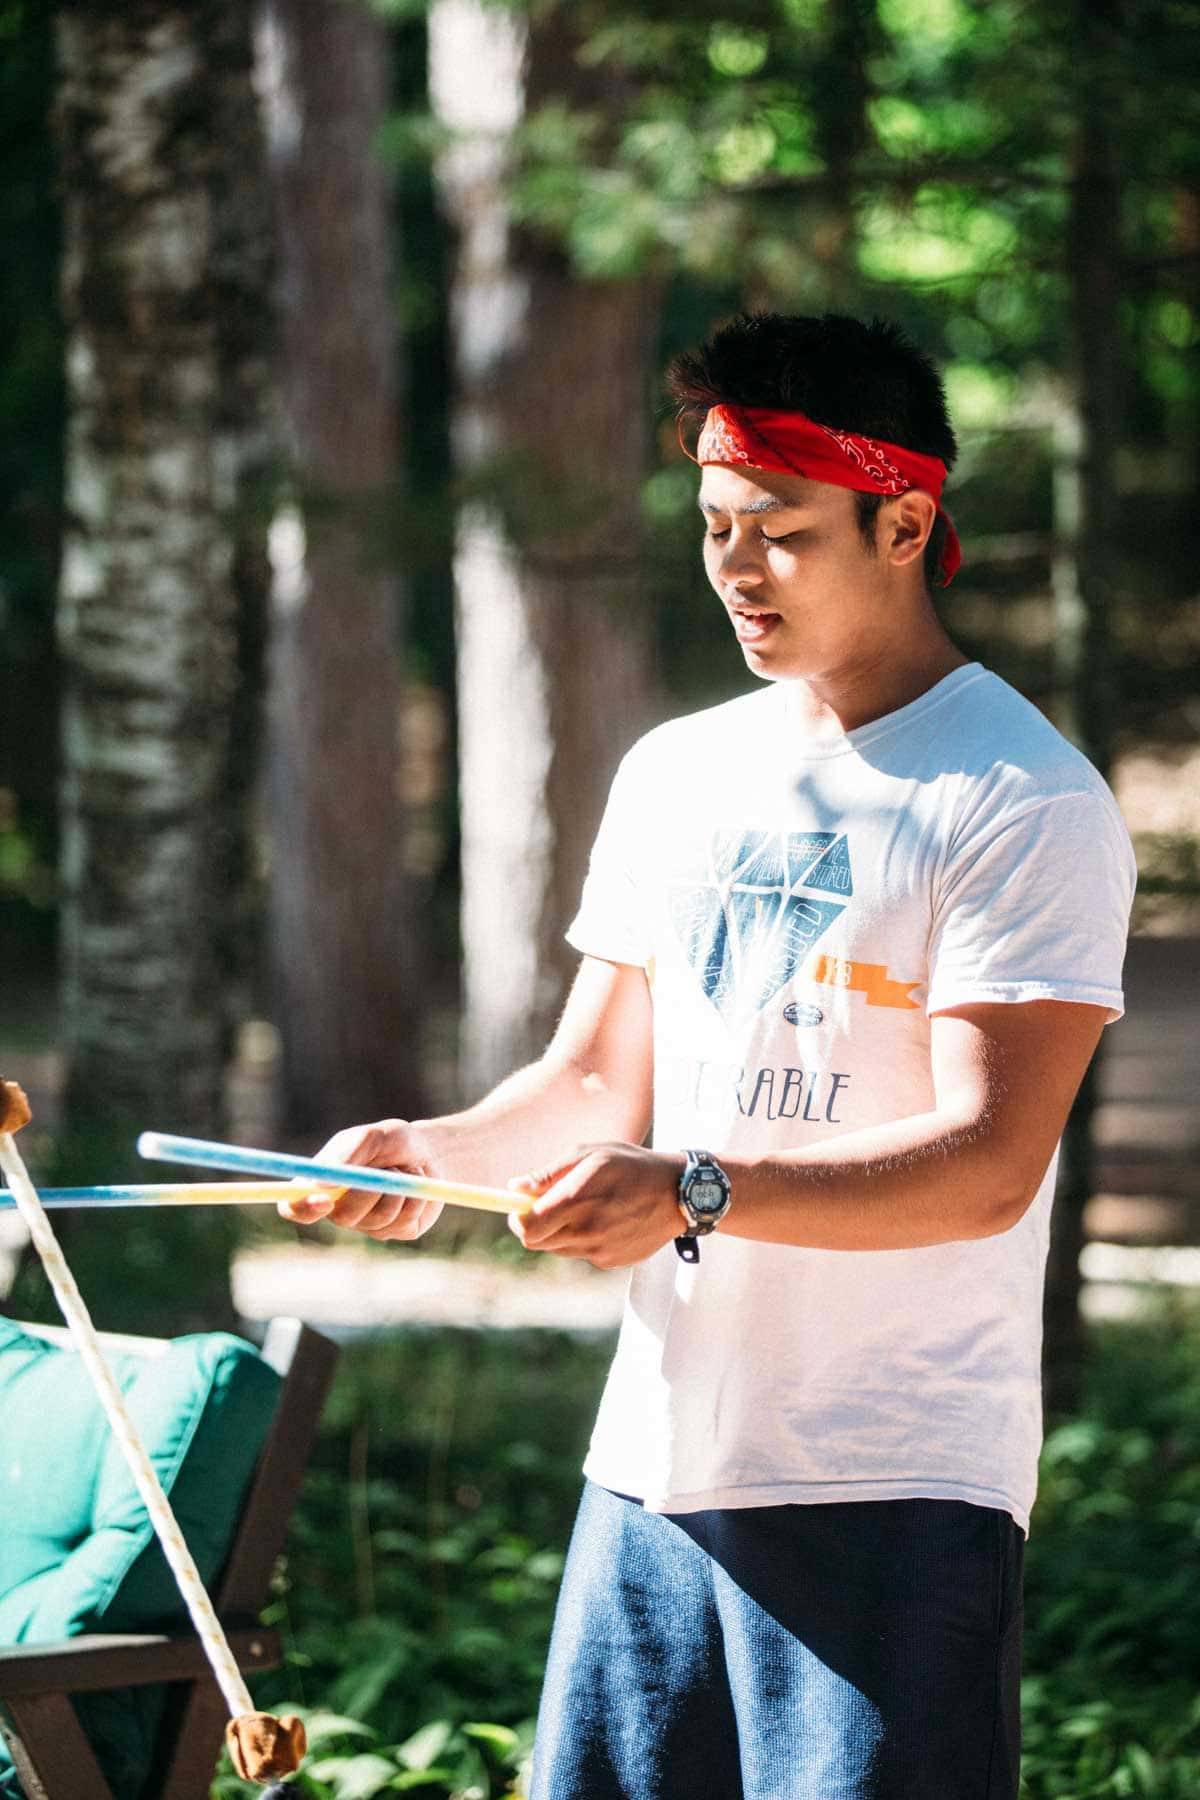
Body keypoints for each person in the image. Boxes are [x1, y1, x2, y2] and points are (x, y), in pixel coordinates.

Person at [280, 312, 1136, 1799]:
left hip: (894, 1483)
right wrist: (429, 1156)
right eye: (715, 526)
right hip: (651, 1474)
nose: (737, 568)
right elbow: (595, 1082)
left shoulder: (1020, 796)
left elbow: (989, 1163)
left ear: (906, 522)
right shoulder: (679, 769)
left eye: (783, 532)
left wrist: (691, 1187)